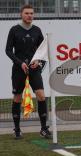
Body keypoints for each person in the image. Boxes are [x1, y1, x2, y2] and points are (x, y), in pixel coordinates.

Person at [5, 4, 51, 139]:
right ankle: (17, 129)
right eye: (27, 13)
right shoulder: (14, 30)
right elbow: (8, 50)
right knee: (18, 97)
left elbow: (43, 51)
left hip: (34, 69)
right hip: (19, 69)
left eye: (31, 13)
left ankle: (43, 128)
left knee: (41, 96)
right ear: (21, 14)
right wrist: (20, 63)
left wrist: (38, 61)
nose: (29, 15)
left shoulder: (37, 30)